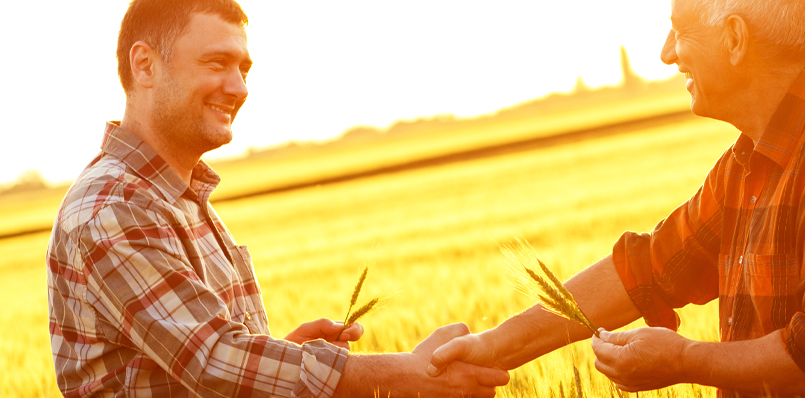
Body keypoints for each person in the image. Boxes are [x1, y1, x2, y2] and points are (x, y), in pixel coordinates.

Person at [427, 0, 805, 395]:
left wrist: (686, 360)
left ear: (734, 38)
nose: (667, 53)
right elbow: (646, 268)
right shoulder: (749, 166)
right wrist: (494, 347)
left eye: (678, 29)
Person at [45, 1, 508, 396]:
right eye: (216, 63)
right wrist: (407, 375)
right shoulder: (113, 208)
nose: (239, 88)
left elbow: (198, 364)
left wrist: (279, 355)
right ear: (145, 65)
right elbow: (213, 357)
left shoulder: (174, 197)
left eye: (243, 69)